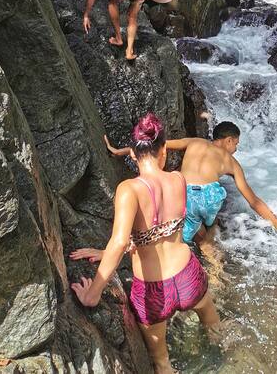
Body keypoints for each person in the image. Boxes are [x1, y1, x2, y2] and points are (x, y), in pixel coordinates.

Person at [71, 113, 220, 374]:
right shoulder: (179, 179)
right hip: (188, 276)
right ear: (163, 150)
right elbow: (163, 231)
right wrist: (107, 252)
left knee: (161, 363)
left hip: (153, 291)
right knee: (213, 325)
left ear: (132, 154)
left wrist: (93, 294)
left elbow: (120, 242)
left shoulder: (128, 189)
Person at [105, 121, 277, 245]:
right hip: (209, 198)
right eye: (236, 144)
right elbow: (254, 201)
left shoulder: (194, 142)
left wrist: (121, 151)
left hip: (185, 195)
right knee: (211, 223)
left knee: (179, 236)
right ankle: (211, 250)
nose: (236, 149)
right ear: (229, 140)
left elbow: (155, 146)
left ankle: (198, 246)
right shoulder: (232, 163)